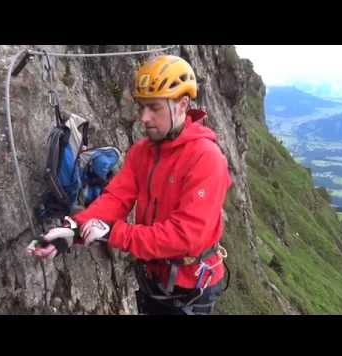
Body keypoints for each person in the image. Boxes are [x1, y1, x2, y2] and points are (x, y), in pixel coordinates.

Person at [29, 55, 233, 315]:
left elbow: (186, 237)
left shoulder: (207, 159)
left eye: (155, 107)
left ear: (182, 105)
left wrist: (115, 234)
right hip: (154, 276)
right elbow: (116, 199)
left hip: (191, 286)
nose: (144, 118)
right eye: (141, 107)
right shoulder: (143, 152)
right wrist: (72, 230)